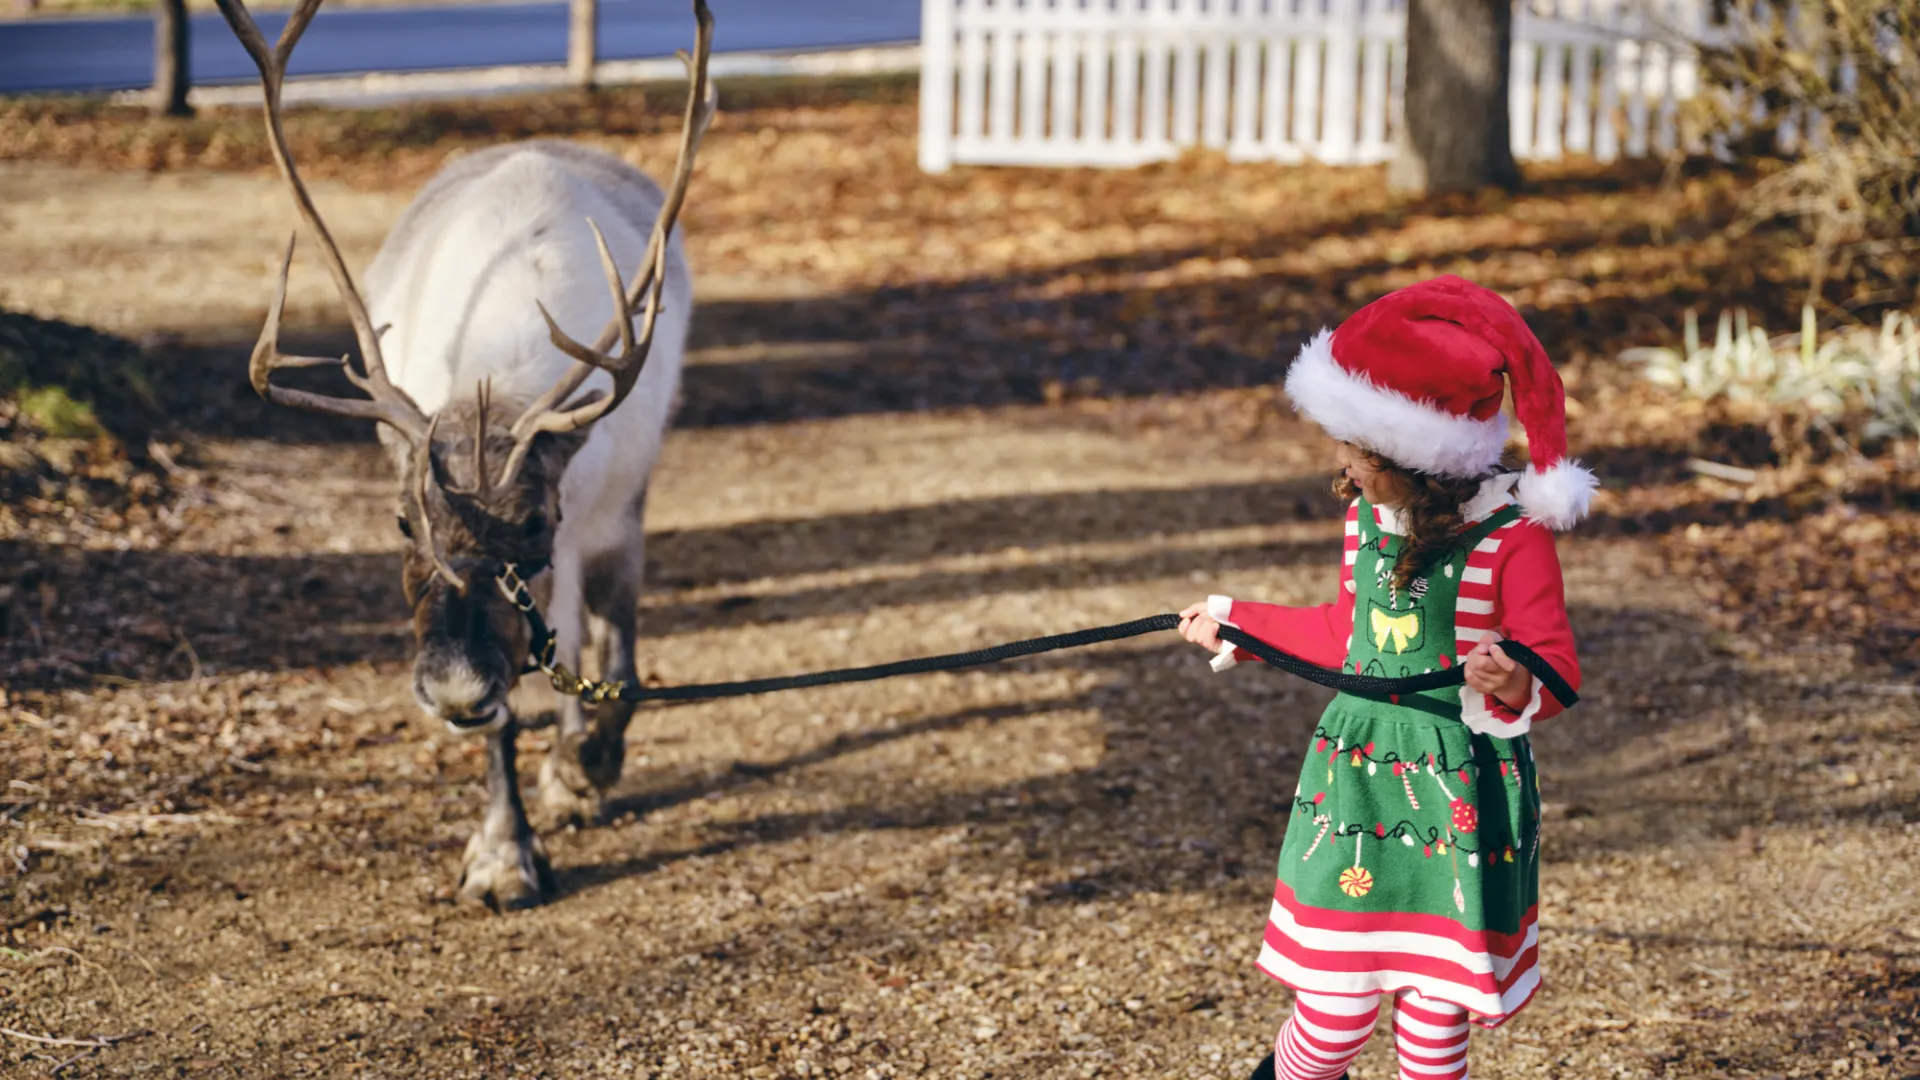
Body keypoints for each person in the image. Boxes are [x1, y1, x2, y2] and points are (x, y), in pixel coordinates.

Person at [1178, 275, 1589, 1080]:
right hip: (1357, 782)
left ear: (1418, 457)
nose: (1344, 465)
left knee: (1435, 1022)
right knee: (1331, 1010)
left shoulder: (1515, 539)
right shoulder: (1366, 519)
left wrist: (1510, 679)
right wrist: (1243, 623)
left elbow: (1557, 664)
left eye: (1358, 451)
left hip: (1463, 791)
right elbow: (1344, 633)